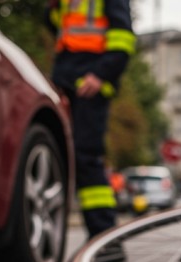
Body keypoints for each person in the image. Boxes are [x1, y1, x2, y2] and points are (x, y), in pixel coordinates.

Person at [46, 0, 135, 240]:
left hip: (90, 84)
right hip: (65, 78)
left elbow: (123, 39)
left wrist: (100, 75)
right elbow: (60, 29)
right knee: (62, 154)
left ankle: (104, 239)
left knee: (86, 157)